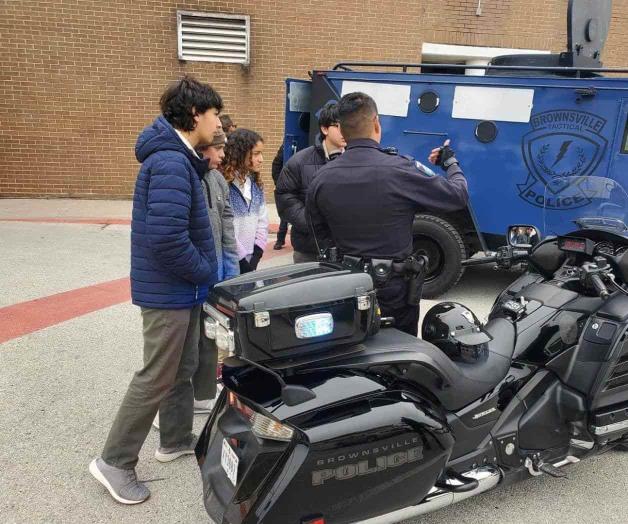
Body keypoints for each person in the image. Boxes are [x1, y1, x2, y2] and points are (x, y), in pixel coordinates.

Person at [89, 76, 222, 505]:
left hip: (179, 290)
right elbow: (166, 238)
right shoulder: (168, 162)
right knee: (156, 374)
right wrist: (205, 271)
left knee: (182, 365)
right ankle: (114, 461)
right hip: (169, 291)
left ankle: (175, 440)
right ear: (194, 115)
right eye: (214, 113)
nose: (218, 123)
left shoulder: (181, 160)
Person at [306, 92, 469, 336]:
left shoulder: (321, 177)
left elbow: (317, 231)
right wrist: (450, 163)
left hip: (345, 287)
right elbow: (457, 195)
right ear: (376, 123)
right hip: (394, 293)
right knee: (398, 358)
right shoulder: (400, 169)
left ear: (342, 129)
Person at [275, 102, 346, 263]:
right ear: (324, 128)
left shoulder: (356, 160)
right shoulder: (300, 161)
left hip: (346, 250)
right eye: (338, 126)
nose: (345, 131)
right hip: (309, 250)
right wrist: (311, 223)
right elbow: (285, 197)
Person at [220, 128, 268, 273]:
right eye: (256, 154)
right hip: (230, 262)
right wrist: (241, 260)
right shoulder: (224, 185)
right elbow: (226, 229)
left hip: (252, 259)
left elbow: (262, 222)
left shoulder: (255, 184)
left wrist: (257, 254)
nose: (261, 159)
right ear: (240, 154)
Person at [271, 144, 289, 250]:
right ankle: (280, 239)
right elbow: (276, 164)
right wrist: (278, 182)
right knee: (285, 215)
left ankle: (280, 240)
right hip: (285, 184)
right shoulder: (285, 148)